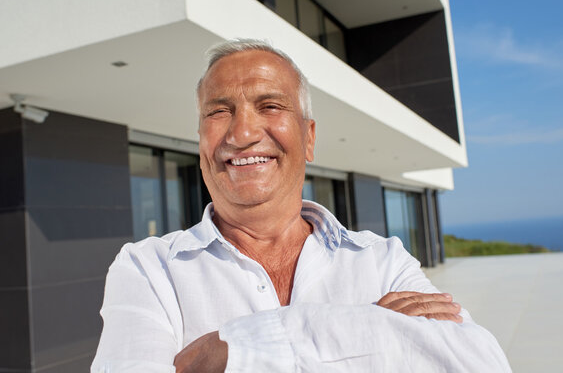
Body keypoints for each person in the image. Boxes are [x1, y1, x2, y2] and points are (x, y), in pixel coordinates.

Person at [91, 39, 511, 372]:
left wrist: (239, 347)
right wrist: (369, 329)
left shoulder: (383, 261)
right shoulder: (148, 270)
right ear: (200, 141)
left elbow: (477, 363)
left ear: (308, 138)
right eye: (219, 112)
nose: (242, 132)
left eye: (269, 106)